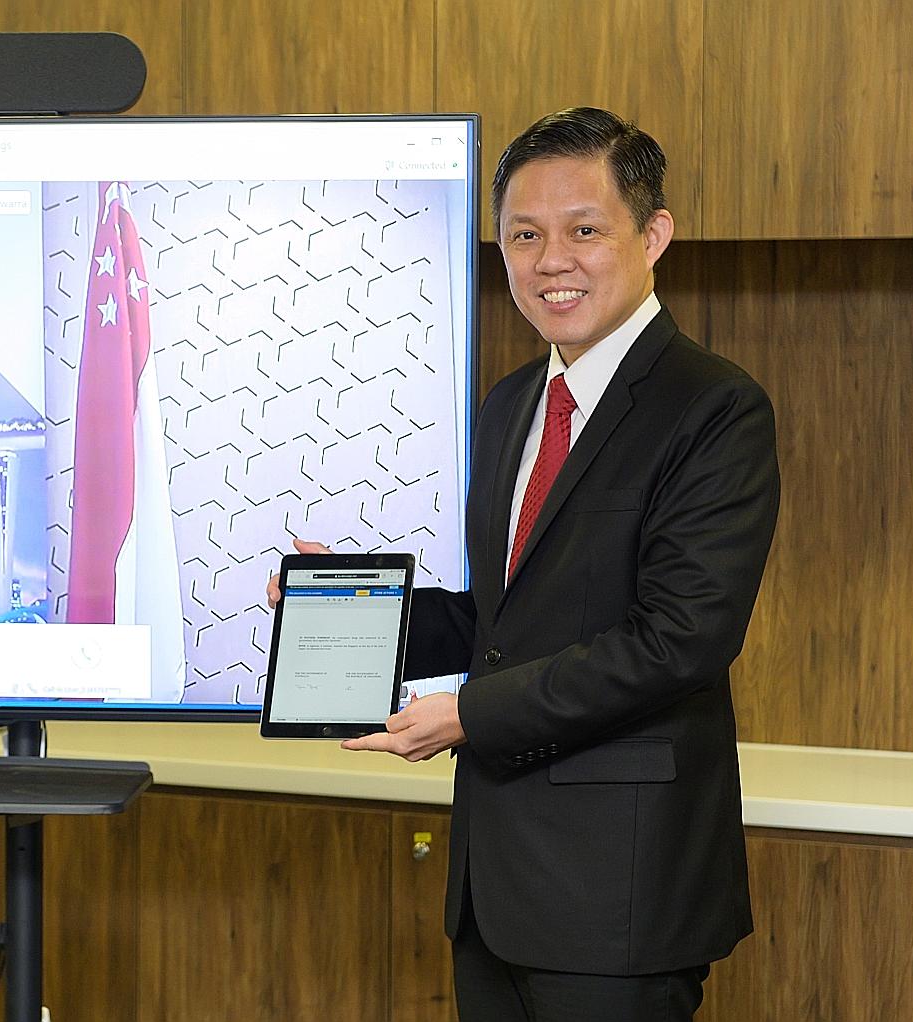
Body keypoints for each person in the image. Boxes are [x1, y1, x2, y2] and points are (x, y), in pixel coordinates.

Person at [269, 108, 780, 1020]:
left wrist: (466, 712)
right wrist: (345, 602)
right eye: (524, 235)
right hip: (494, 890)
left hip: (619, 892)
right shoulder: (512, 405)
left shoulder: (714, 408)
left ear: (653, 235)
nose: (552, 260)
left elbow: (679, 641)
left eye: (585, 230)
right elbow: (503, 623)